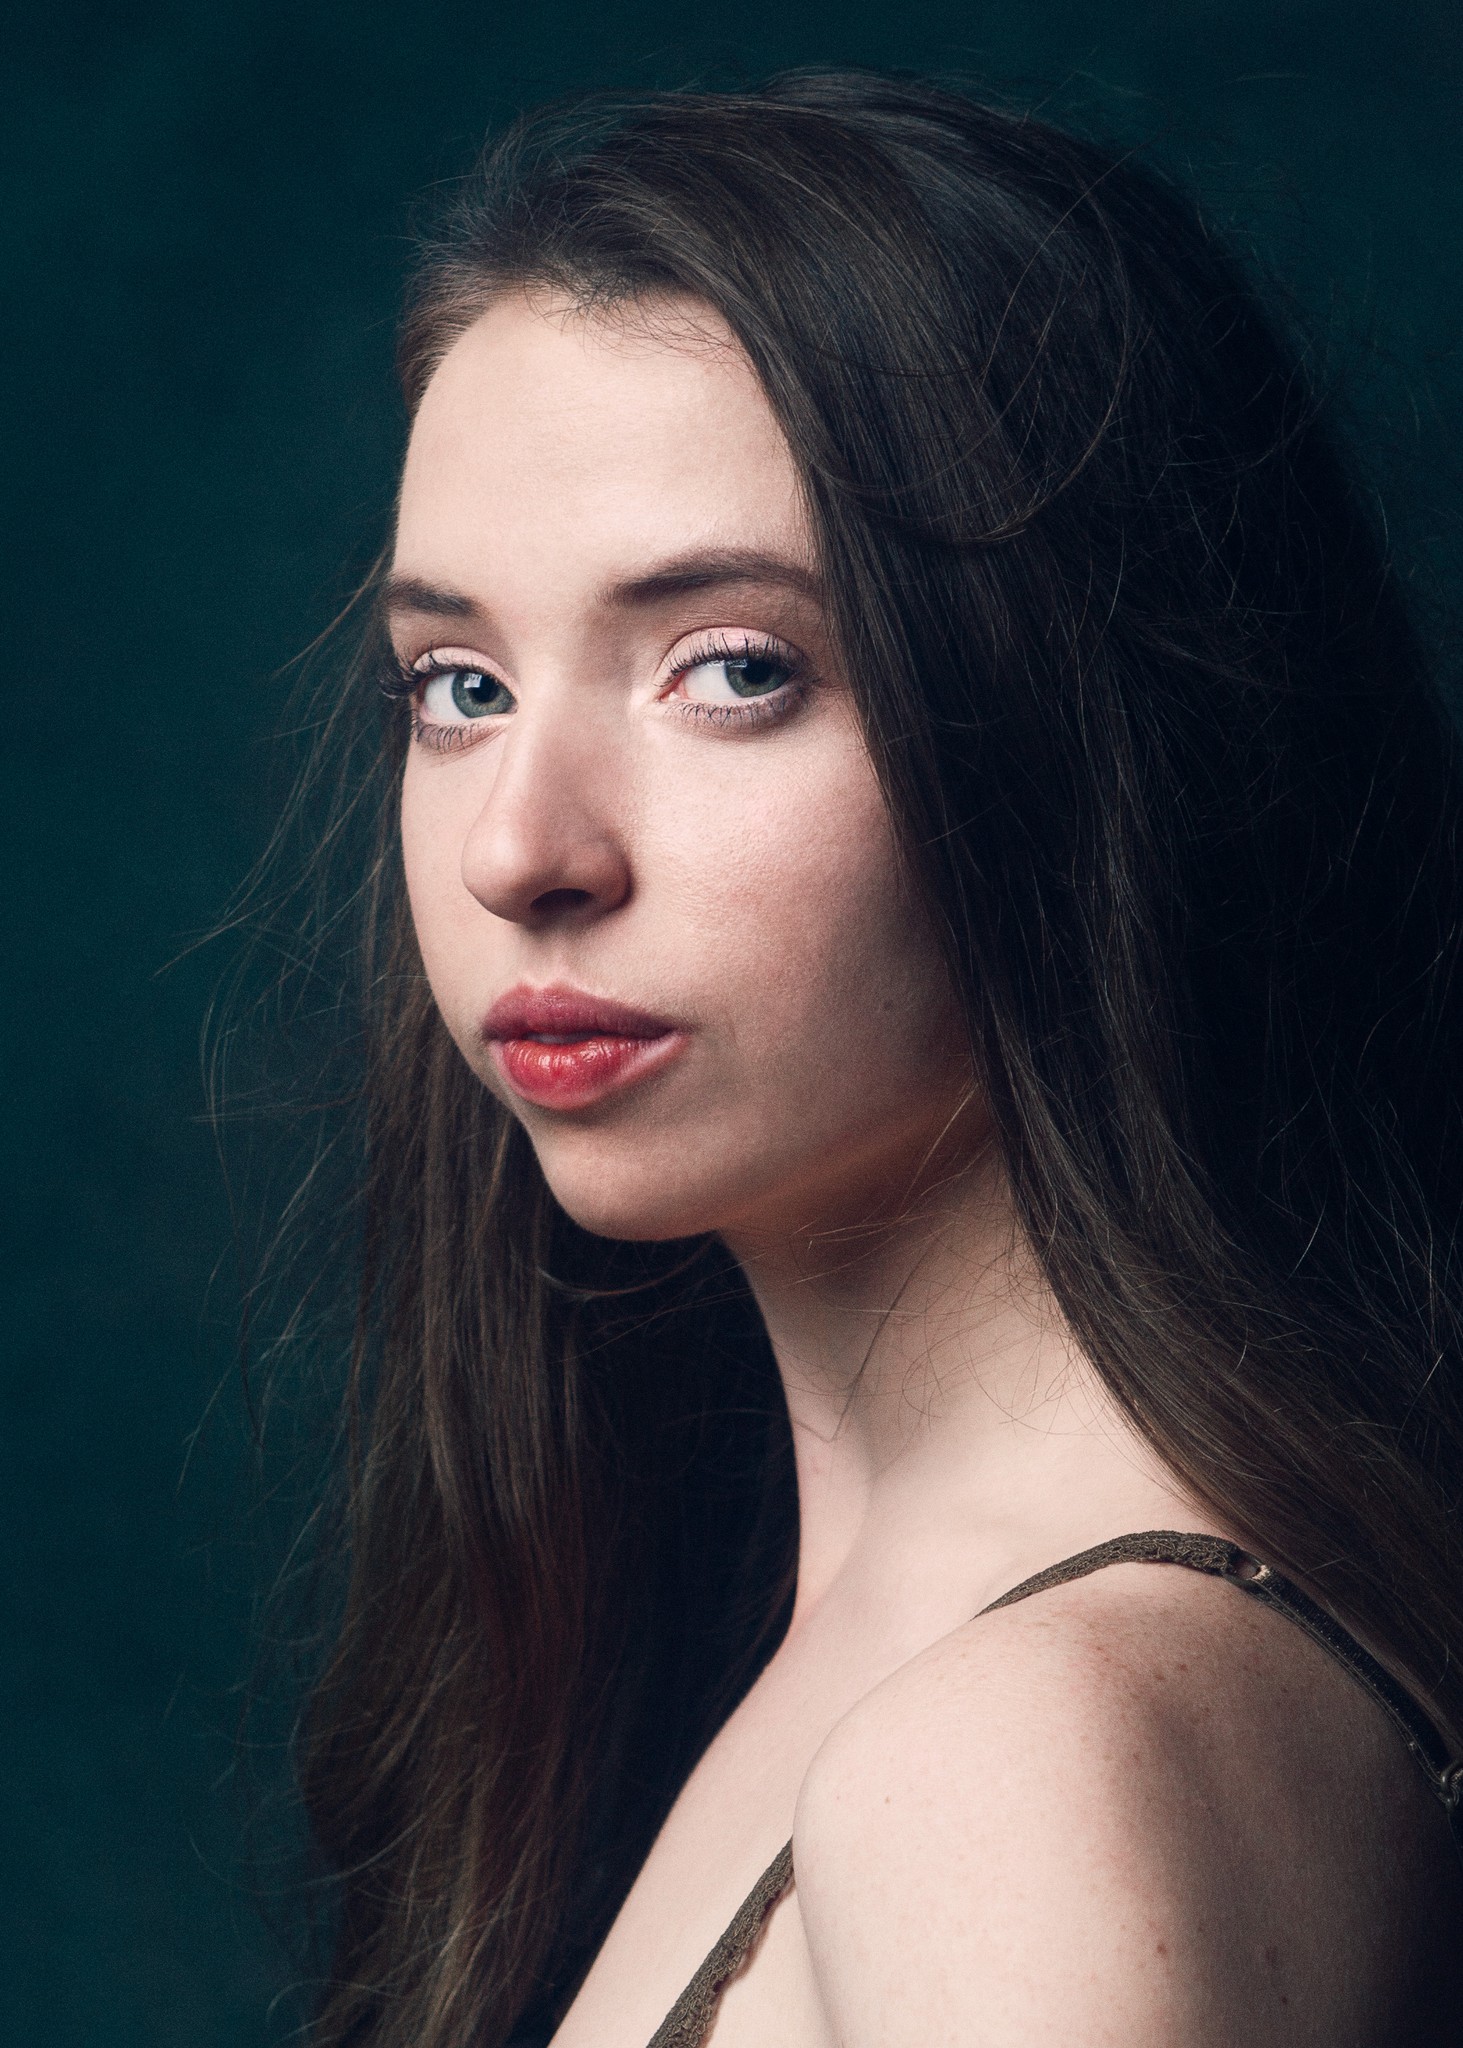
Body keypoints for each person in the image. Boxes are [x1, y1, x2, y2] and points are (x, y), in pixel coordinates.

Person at [282, 71, 1463, 2047]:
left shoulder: (1020, 1754)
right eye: (458, 685)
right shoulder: (877, 1654)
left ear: (1092, 737)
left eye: (735, 668)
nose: (519, 851)